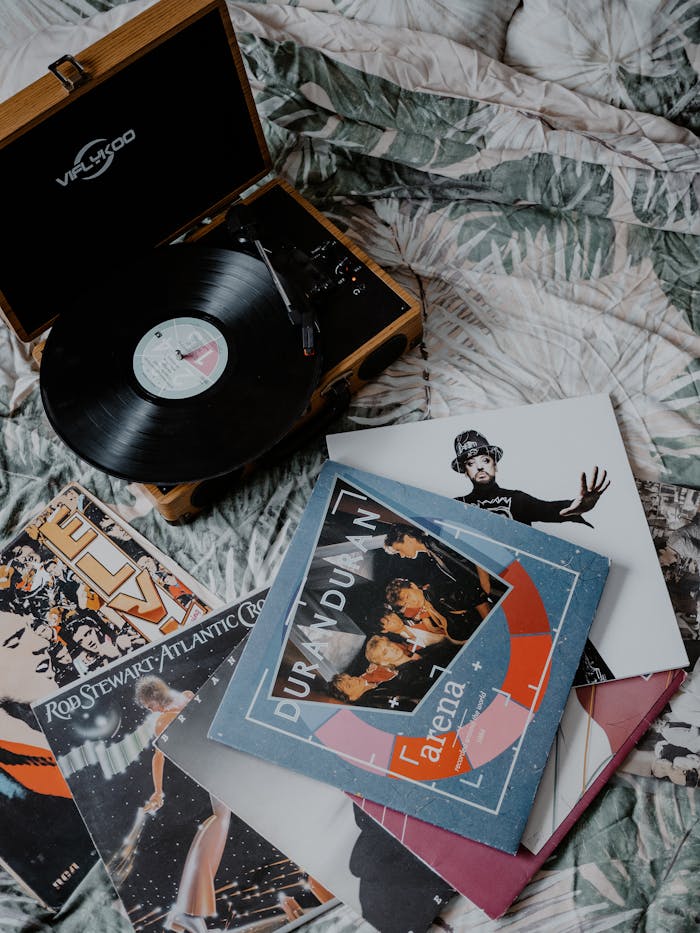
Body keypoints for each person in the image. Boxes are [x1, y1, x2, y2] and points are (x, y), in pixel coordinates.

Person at [135, 675, 231, 933]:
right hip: (213, 770)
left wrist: (158, 792)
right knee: (220, 820)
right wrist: (158, 791)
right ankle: (190, 910)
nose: (151, 711)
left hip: (220, 764)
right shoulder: (172, 713)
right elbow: (159, 757)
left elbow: (159, 756)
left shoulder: (181, 704)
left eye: (149, 706)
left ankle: (191, 909)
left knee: (221, 820)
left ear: (154, 699)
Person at [450, 429, 609, 526]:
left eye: (485, 460)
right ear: (465, 471)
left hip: (517, 570)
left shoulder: (517, 500)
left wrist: (577, 506)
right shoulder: (454, 506)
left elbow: (548, 509)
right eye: (470, 463)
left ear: (495, 465)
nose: (479, 467)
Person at [383, 523, 495, 621]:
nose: (402, 555)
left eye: (399, 550)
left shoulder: (437, 542)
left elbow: (476, 549)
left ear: (408, 539)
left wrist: (485, 582)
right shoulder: (431, 552)